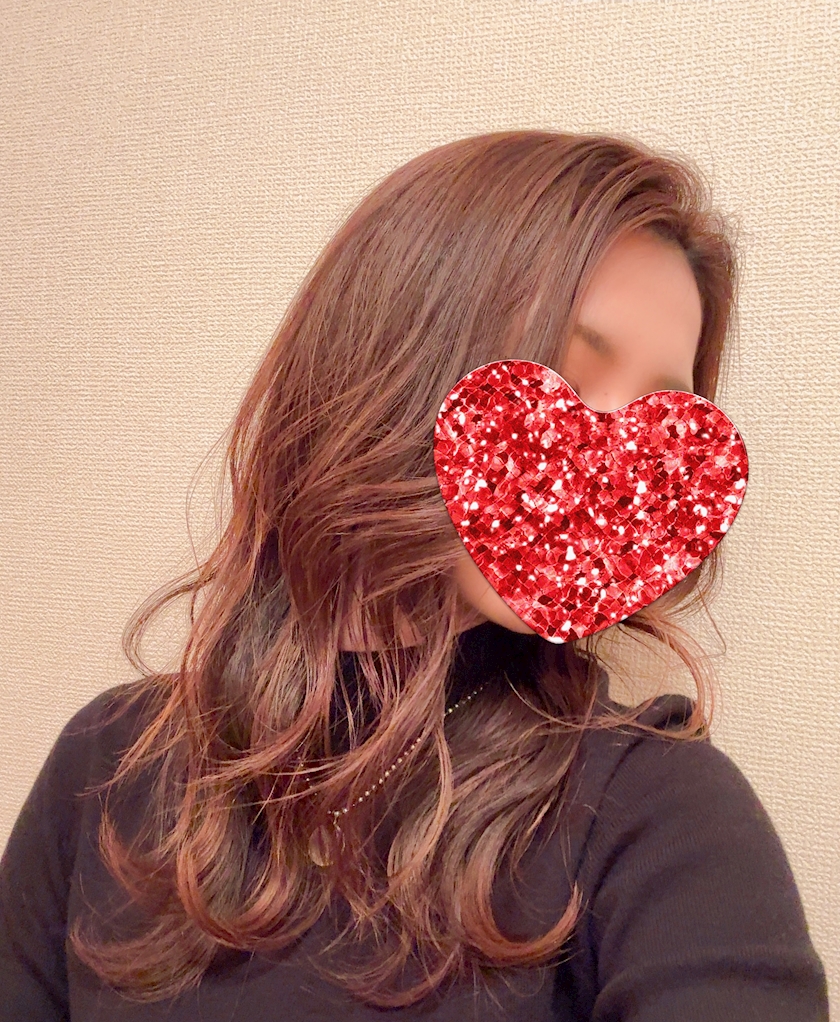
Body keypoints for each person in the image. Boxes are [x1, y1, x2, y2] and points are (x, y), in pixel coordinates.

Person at [0, 130, 829, 1021]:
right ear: (393, 355)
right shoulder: (111, 764)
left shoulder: (657, 815)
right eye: (564, 372)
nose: (610, 470)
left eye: (656, 419)